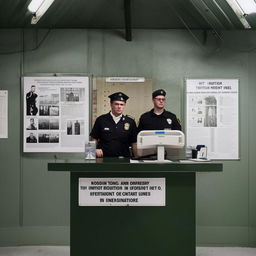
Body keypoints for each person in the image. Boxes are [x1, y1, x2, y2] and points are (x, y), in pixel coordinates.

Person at [90, 92, 137, 158]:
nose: (119, 107)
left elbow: (134, 142)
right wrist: (93, 151)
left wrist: (137, 158)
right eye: (116, 104)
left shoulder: (130, 121)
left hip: (124, 159)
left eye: (122, 104)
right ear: (111, 104)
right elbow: (93, 138)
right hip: (104, 159)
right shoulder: (101, 119)